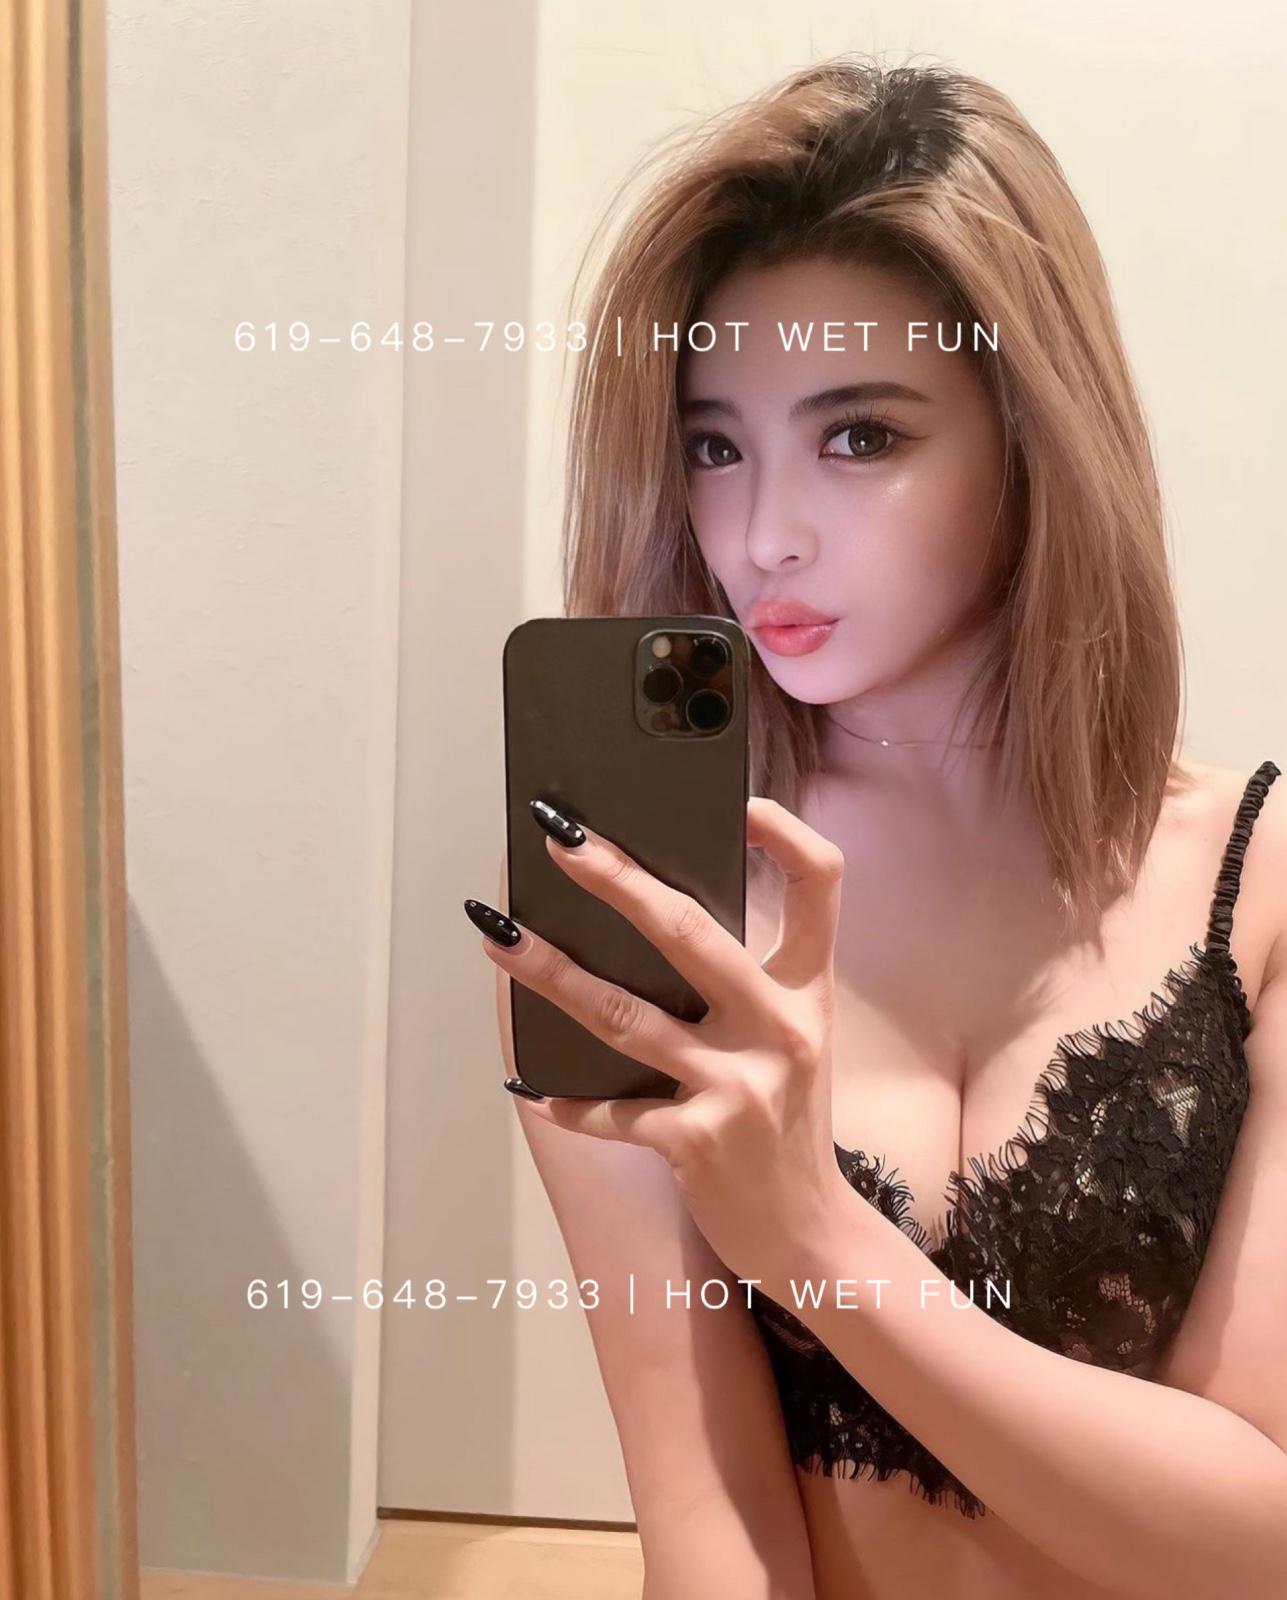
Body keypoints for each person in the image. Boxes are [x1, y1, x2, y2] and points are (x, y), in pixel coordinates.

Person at [463, 54, 1287, 1600]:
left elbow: (1263, 1541)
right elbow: (707, 1524)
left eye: (859, 437)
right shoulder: (634, 910)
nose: (763, 534)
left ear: (1029, 437)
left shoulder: (1255, 883)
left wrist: (810, 1235)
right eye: (714, 445)